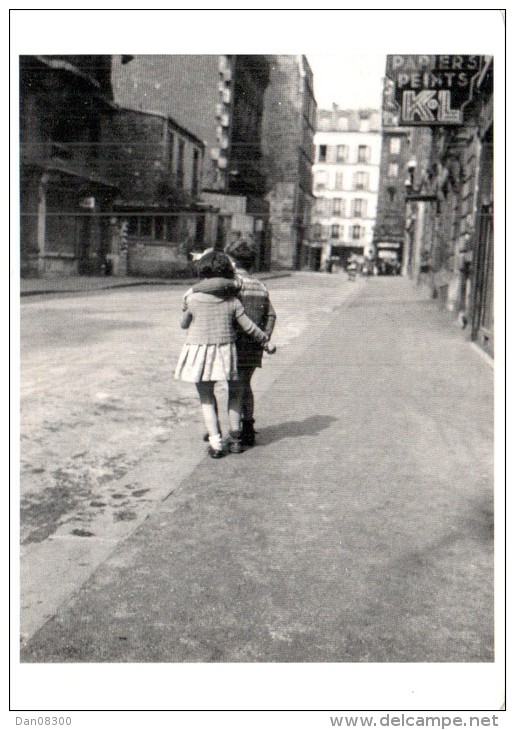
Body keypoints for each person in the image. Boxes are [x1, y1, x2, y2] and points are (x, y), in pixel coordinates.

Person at [175, 251, 269, 458]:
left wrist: (186, 309)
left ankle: (216, 443)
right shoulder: (233, 301)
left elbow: (184, 324)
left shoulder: (193, 298)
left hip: (200, 353)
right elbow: (249, 327)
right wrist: (265, 341)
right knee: (235, 393)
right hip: (226, 353)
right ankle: (235, 440)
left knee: (207, 398)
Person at [224, 238, 277, 447]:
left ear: (233, 262)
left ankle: (235, 433)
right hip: (254, 346)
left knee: (234, 389)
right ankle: (248, 428)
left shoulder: (234, 285)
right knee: (246, 385)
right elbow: (272, 315)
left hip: (234, 343)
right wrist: (265, 338)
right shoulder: (261, 286)